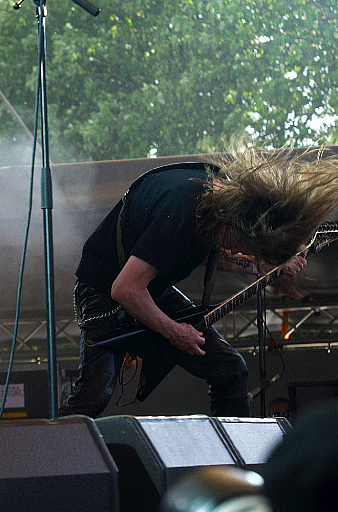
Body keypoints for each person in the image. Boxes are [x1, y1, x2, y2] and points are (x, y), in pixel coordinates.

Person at [58, 146, 338, 418]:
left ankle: (228, 451)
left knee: (230, 370)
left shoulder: (214, 202)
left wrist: (260, 266)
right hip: (104, 291)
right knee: (94, 393)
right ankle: (53, 445)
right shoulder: (182, 208)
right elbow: (125, 289)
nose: (234, 250)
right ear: (232, 219)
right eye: (238, 243)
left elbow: (195, 250)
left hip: (149, 288)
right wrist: (174, 332)